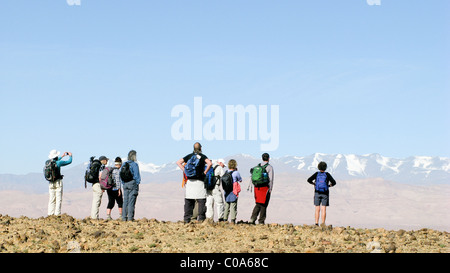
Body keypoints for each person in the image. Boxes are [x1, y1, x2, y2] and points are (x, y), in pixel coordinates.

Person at [176, 142, 212, 223]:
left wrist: (185, 170)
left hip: (189, 182)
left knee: (189, 201)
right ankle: (201, 218)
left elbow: (178, 162)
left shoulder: (189, 156)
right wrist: (205, 172)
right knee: (201, 200)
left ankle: (186, 219)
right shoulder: (202, 156)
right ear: (200, 148)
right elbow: (209, 163)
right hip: (200, 182)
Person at [307, 161, 336, 227]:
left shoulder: (316, 174)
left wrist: (314, 184)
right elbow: (334, 182)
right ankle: (323, 223)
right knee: (323, 208)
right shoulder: (327, 174)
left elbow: (309, 180)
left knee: (317, 208)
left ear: (318, 167)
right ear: (325, 167)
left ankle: (316, 223)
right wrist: (329, 186)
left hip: (317, 192)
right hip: (325, 193)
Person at [250, 153, 274, 225]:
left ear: (262, 158)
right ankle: (261, 221)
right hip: (265, 188)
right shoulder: (269, 167)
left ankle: (252, 219)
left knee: (258, 203)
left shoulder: (257, 166)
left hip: (257, 188)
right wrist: (270, 189)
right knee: (264, 204)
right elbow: (271, 179)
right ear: (268, 158)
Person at [46, 150, 72, 216]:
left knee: (51, 199)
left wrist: (62, 156)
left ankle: (50, 214)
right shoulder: (59, 163)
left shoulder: (47, 163)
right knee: (58, 198)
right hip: (57, 182)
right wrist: (70, 156)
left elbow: (55, 161)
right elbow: (69, 162)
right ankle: (57, 214)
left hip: (51, 182)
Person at [121, 150, 141, 221]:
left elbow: (121, 175)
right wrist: (137, 183)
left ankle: (123, 218)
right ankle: (130, 218)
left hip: (125, 184)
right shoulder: (134, 164)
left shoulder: (124, 164)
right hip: (132, 184)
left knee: (125, 201)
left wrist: (123, 183)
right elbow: (137, 176)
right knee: (131, 201)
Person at [222, 159, 242, 224]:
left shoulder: (226, 172)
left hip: (226, 191)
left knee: (227, 205)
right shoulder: (236, 173)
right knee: (233, 205)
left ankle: (225, 219)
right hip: (233, 191)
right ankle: (232, 220)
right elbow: (240, 180)